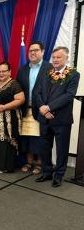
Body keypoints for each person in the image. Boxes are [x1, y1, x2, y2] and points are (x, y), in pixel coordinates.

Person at [34, 46, 80, 187]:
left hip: (61, 119)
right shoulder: (46, 73)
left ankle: (58, 175)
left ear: (66, 58)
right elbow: (37, 92)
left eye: (58, 57)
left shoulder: (73, 74)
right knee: (44, 147)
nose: (55, 60)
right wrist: (43, 109)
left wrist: (49, 107)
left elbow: (68, 96)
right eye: (53, 57)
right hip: (44, 117)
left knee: (61, 149)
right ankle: (47, 172)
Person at [17, 41, 52, 174]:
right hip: (26, 109)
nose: (32, 52)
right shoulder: (23, 69)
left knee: (40, 137)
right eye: (30, 50)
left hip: (42, 110)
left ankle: (39, 163)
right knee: (27, 137)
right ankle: (28, 161)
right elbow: (18, 90)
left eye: (36, 50)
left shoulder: (49, 68)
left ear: (42, 52)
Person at [0, 62, 25, 173]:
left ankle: (6, 167)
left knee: (7, 142)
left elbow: (20, 100)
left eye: (4, 71)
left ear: (10, 72)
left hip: (9, 118)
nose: (1, 73)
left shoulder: (14, 84)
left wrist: (4, 107)